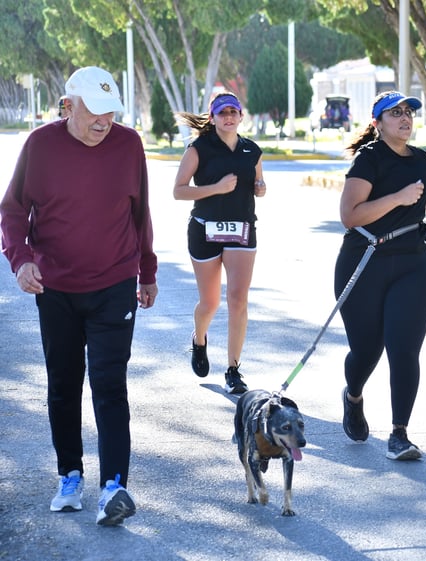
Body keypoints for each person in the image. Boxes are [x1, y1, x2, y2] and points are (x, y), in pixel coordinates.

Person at [0, 66, 158, 525]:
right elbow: (12, 211)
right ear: (68, 105)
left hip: (114, 285)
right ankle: (70, 474)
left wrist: (146, 270)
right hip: (57, 290)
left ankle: (114, 487)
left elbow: (140, 211)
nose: (104, 120)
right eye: (94, 111)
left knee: (110, 385)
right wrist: (21, 259)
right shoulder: (40, 146)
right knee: (63, 386)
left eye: (111, 111)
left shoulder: (128, 145)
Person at [336, 90, 426, 460]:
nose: (405, 118)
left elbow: (423, 200)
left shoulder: (422, 160)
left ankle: (399, 433)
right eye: (395, 113)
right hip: (364, 261)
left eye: (409, 112)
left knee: (404, 349)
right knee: (366, 349)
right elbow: (350, 216)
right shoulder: (368, 160)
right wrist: (397, 198)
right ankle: (353, 395)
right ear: (377, 123)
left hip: (413, 263)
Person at [173, 91, 266, 395]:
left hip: (241, 229)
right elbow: (179, 191)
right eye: (222, 112)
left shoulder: (252, 151)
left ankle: (233, 369)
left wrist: (260, 187)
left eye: (233, 112)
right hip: (205, 230)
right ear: (212, 119)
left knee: (238, 299)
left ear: (241, 116)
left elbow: (257, 183)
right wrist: (215, 188)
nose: (228, 117)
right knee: (210, 302)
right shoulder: (198, 149)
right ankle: (199, 339)